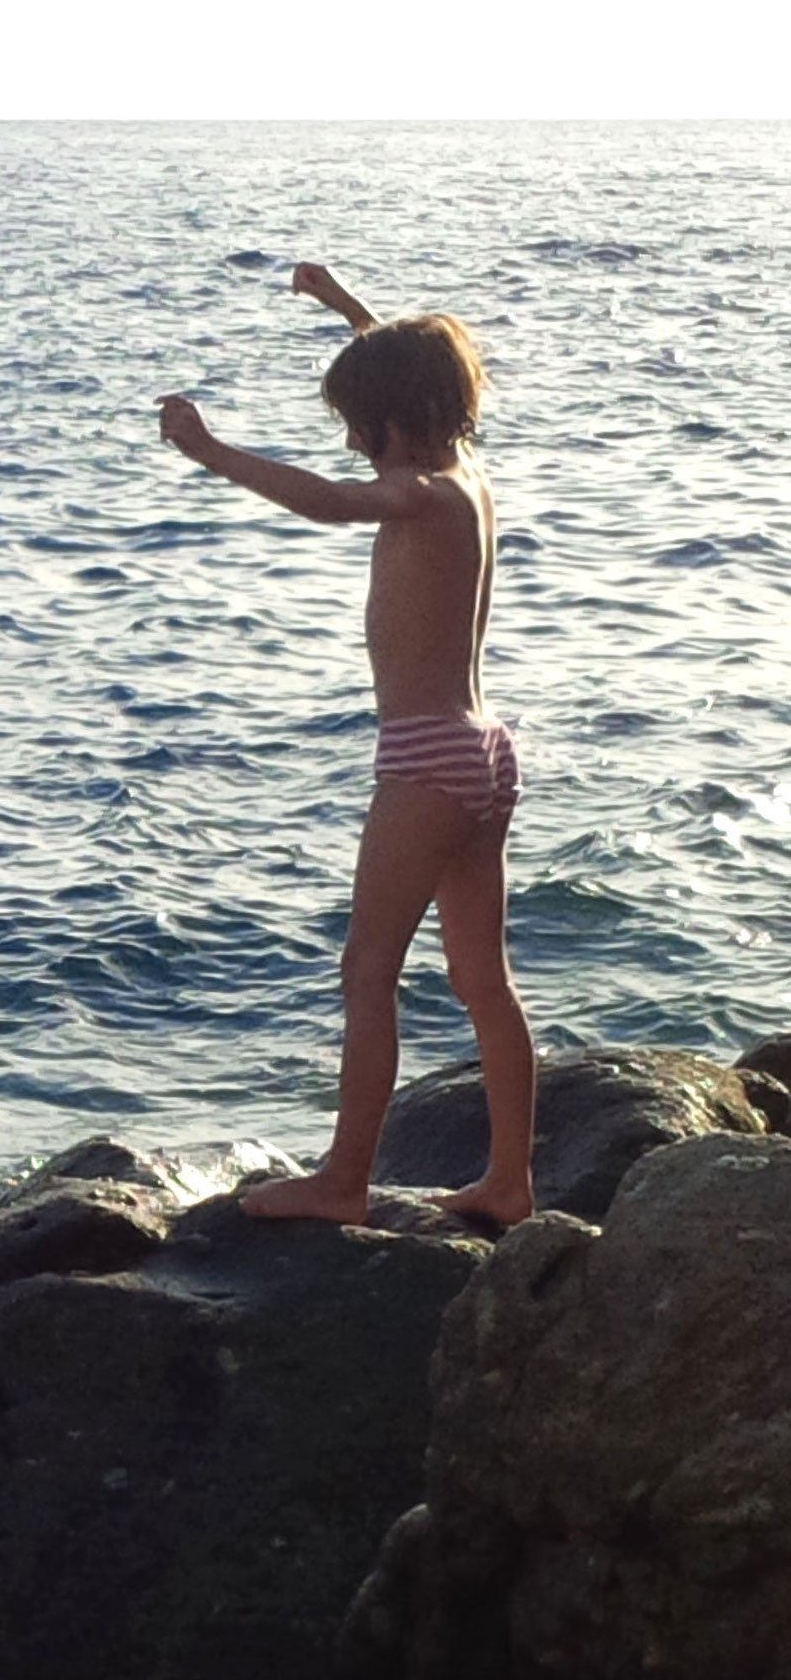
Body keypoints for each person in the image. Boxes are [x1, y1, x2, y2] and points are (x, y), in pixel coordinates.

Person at [158, 261, 535, 1228]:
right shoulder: (465, 480)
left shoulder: (416, 496)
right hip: (485, 753)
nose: (356, 449)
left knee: (368, 971)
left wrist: (209, 451)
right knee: (482, 980)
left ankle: (344, 1179)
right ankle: (510, 1181)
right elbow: (407, 377)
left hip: (425, 763)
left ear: (390, 426)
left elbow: (324, 500)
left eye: (359, 430)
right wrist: (344, 308)